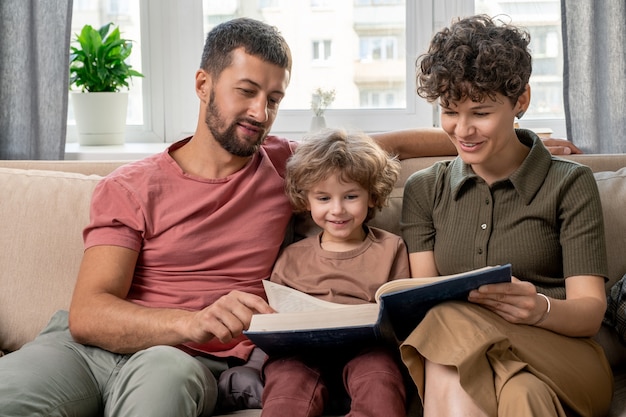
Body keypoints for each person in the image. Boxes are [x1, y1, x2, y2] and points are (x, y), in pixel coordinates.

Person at [0, 16, 584, 417]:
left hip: (174, 362)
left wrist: (512, 138)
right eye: (246, 92)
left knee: (162, 386)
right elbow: (88, 313)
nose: (261, 112)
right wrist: (189, 320)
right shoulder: (130, 186)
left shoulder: (284, 167)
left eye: (274, 99)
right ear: (204, 84)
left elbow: (375, 146)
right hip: (90, 347)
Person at [399, 15, 612, 417]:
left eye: (480, 113)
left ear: (521, 101)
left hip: (566, 356)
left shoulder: (570, 183)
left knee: (445, 319)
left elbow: (589, 313)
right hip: (478, 358)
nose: (462, 130)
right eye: (449, 111)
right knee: (523, 394)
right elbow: (421, 305)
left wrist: (540, 309)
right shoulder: (425, 190)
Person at [260, 128, 410, 417]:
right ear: (307, 200)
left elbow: (402, 315)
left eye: (351, 196)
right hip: (299, 353)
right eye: (324, 198)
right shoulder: (291, 256)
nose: (338, 210)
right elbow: (272, 320)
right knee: (287, 390)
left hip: (369, 351)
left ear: (372, 196)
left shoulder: (392, 248)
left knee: (380, 381)